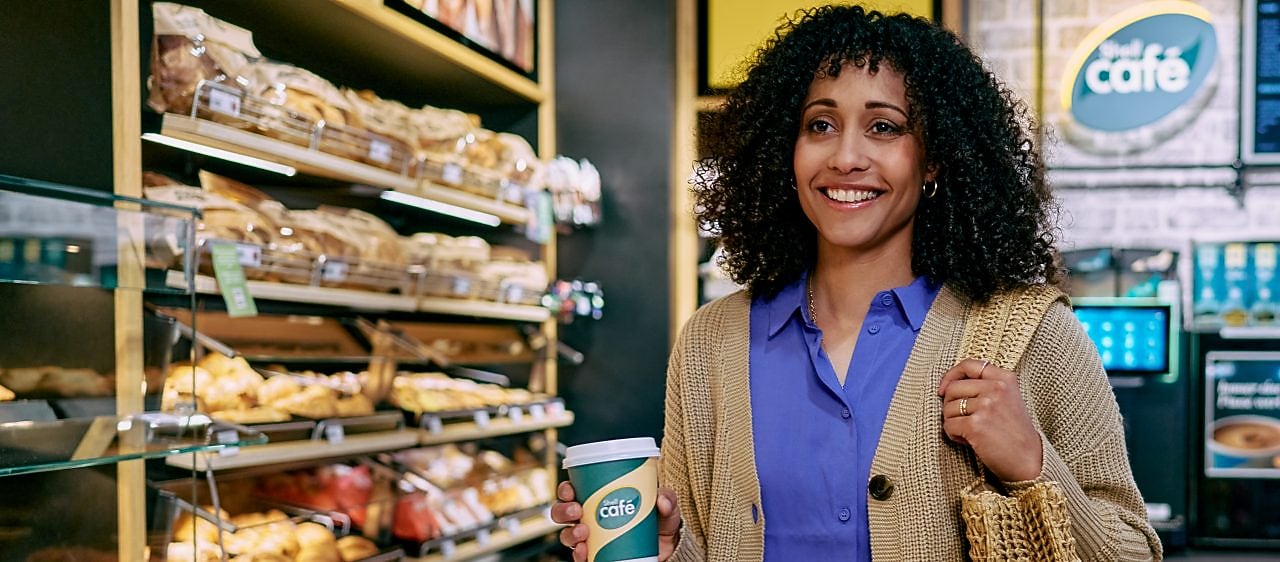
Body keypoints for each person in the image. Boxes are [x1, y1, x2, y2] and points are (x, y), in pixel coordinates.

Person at [552, 5, 1162, 561]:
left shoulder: (1029, 336)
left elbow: (1134, 550)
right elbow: (701, 544)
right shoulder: (711, 341)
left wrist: (1033, 466)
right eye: (820, 124)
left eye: (885, 127)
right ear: (783, 152)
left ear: (934, 159)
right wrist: (665, 551)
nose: (845, 156)